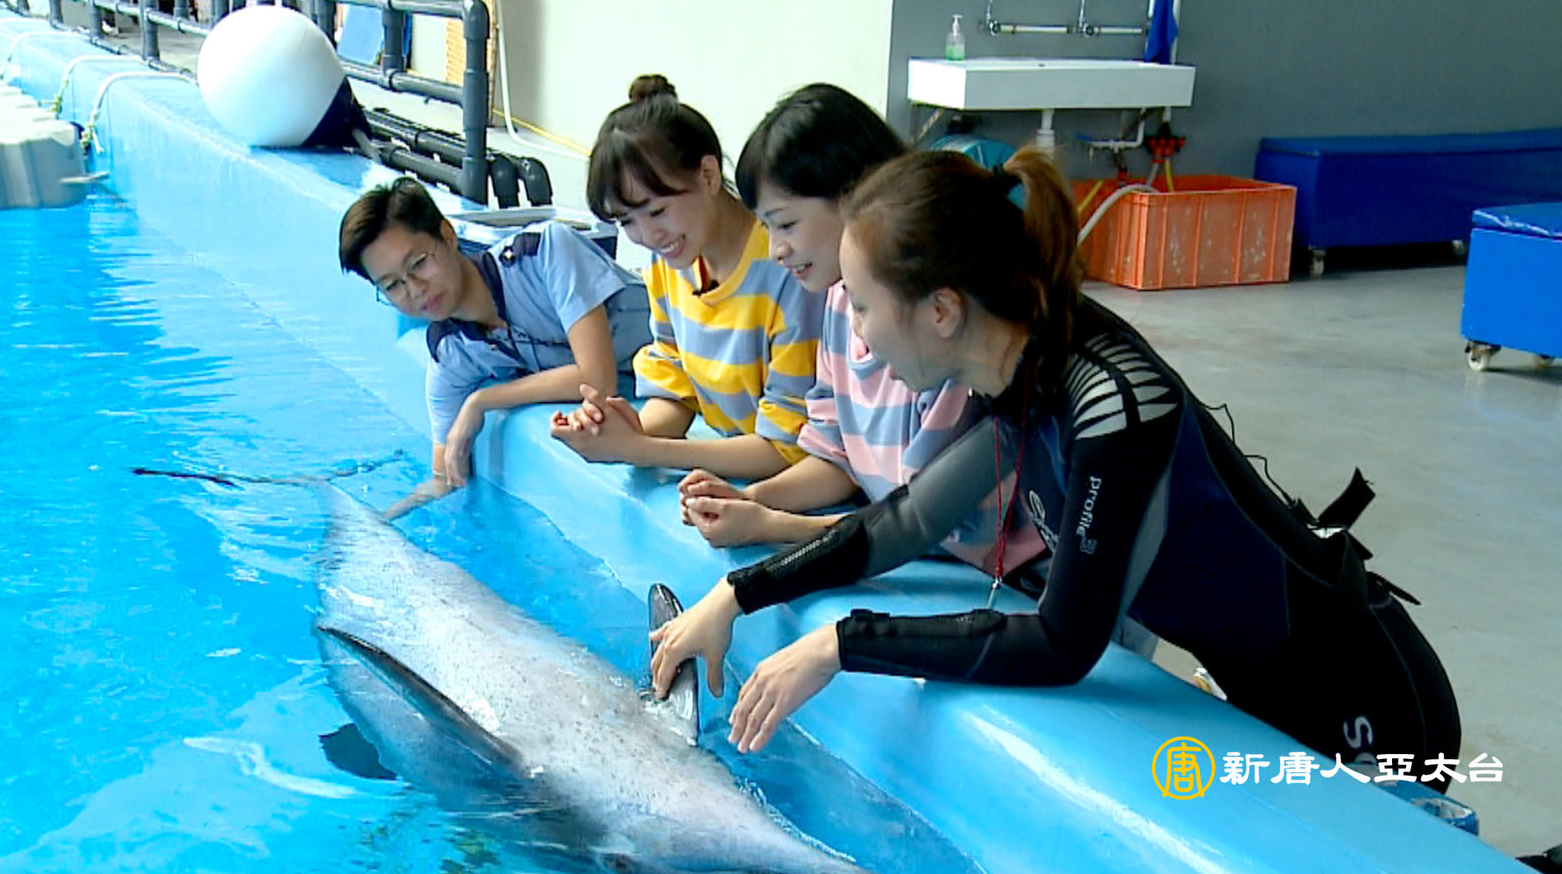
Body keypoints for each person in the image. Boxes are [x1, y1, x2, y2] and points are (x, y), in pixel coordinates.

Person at [649, 146, 1461, 780]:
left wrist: (841, 644)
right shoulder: (1019, 371)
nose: (854, 334)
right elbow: (905, 522)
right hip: (1261, 695)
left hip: (1360, 699)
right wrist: (737, 594)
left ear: (941, 311)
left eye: (863, 306)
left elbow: (1061, 642)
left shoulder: (1113, 403)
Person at [676, 83, 1046, 591]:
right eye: (767, 228)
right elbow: (836, 455)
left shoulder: (937, 338)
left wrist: (774, 526)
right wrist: (752, 499)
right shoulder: (837, 300)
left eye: (786, 224)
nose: (776, 250)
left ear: (855, 198)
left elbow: (931, 528)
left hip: (1008, 576)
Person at [548, 75, 823, 480]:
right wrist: (621, 432)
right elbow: (676, 387)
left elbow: (786, 448)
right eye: (627, 221)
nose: (647, 236)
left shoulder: (786, 267)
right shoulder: (672, 261)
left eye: (657, 211)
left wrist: (641, 449)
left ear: (708, 175)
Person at [338, 176, 650, 518]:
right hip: (653, 395)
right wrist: (382, 520)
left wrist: (482, 401)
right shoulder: (450, 355)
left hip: (689, 360)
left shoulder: (543, 253)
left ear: (447, 235)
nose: (414, 289)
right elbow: (446, 475)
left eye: (418, 264)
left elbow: (597, 381)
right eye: (392, 285)